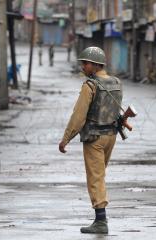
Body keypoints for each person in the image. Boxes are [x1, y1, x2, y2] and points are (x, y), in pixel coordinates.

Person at [58, 46, 123, 234]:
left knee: (95, 178)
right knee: (100, 176)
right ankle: (100, 219)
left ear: (95, 65)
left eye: (85, 63)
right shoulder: (116, 82)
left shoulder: (90, 86)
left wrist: (66, 139)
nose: (83, 67)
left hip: (94, 139)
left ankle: (101, 221)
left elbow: (78, 116)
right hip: (111, 136)